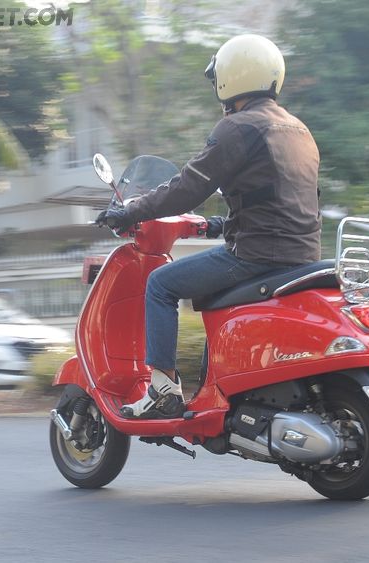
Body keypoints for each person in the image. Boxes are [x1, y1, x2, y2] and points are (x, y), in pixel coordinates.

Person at [99, 34, 322, 419]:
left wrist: (131, 211)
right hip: (301, 254)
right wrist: (223, 223)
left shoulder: (239, 127)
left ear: (229, 79)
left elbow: (187, 188)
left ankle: (163, 390)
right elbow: (277, 195)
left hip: (257, 255)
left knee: (161, 284)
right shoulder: (298, 129)